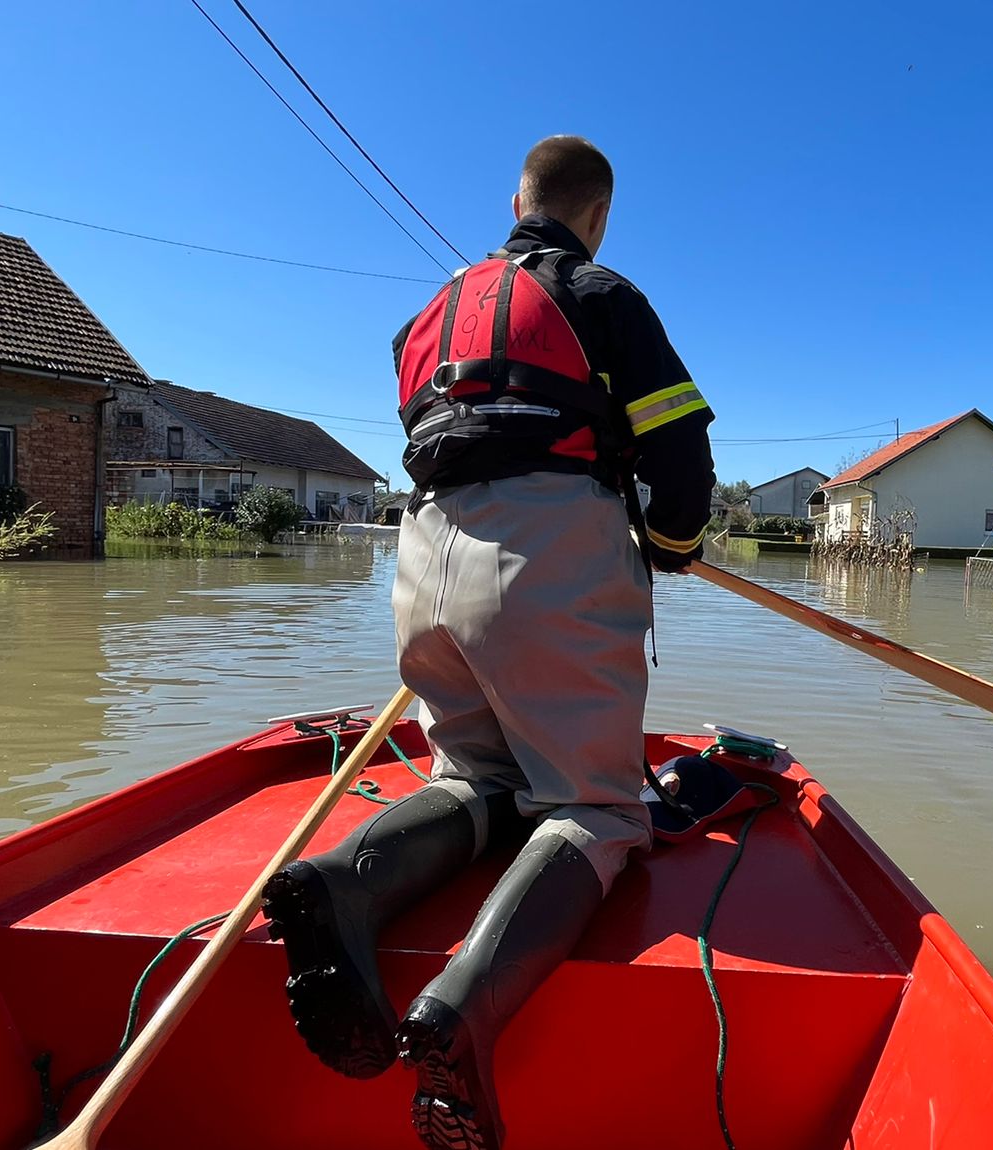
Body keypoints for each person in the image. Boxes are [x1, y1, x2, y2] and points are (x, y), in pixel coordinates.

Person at [260, 135, 716, 1150]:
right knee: (593, 807)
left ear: (516, 200)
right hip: (548, 559)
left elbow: (447, 437)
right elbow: (680, 455)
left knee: (471, 773)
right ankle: (462, 1008)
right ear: (593, 215)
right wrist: (671, 544)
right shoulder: (602, 292)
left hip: (423, 559)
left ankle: (341, 882)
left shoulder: (420, 321)